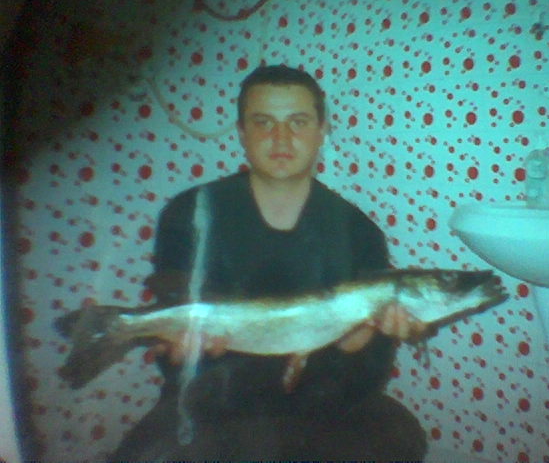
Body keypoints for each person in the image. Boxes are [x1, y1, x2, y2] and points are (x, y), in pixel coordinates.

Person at [109, 64, 427, 461]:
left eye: (298, 122)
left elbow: (367, 379)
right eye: (264, 122)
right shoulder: (189, 212)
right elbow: (174, 352)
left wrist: (357, 344)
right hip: (215, 402)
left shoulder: (360, 231)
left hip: (323, 406)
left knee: (402, 438)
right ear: (242, 132)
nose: (281, 138)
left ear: (322, 130)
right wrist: (183, 353)